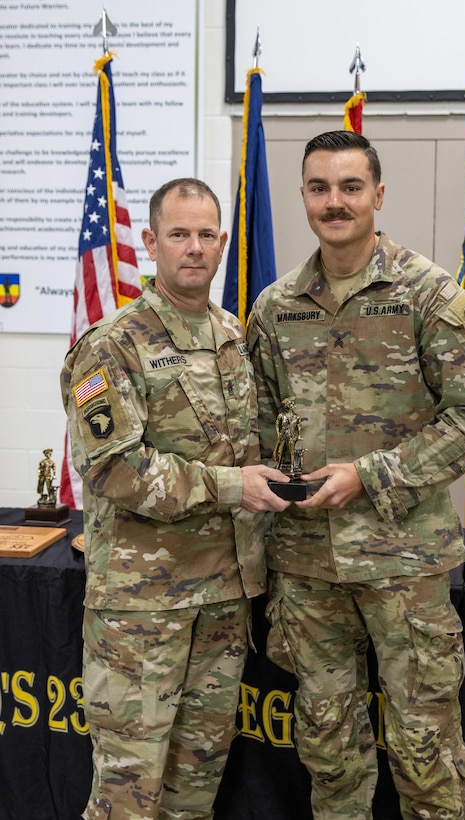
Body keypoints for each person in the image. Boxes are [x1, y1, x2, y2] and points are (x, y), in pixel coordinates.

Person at [247, 131, 465, 819]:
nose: (335, 202)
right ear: (303, 195)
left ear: (378, 195)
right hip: (305, 567)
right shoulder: (274, 309)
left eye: (350, 187)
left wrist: (370, 473)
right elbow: (259, 428)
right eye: (320, 188)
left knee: (426, 754)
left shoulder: (429, 296)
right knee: (327, 750)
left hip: (401, 563)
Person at [60, 178, 290, 820]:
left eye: (207, 234)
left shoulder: (232, 336)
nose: (195, 248)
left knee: (194, 793)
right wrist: (231, 486)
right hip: (143, 612)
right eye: (180, 234)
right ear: (151, 243)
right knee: (126, 798)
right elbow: (116, 470)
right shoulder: (109, 347)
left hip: (222, 602)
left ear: (221, 244)